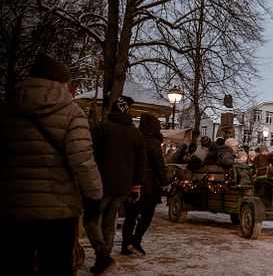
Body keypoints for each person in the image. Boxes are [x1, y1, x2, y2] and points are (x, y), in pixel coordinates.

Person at [0, 52, 103, 276]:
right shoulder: (71, 113)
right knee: (55, 267)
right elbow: (82, 161)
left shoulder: (8, 109)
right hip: (58, 208)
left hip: (11, 208)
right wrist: (95, 196)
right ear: (61, 82)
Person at [85, 95, 148, 274]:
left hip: (100, 184)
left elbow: (89, 154)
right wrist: (136, 185)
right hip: (123, 186)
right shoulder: (135, 133)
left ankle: (102, 254)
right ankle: (104, 256)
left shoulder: (101, 129)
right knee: (109, 220)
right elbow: (140, 162)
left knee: (91, 219)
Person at [121, 113, 167, 256]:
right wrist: (165, 181)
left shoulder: (134, 139)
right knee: (147, 215)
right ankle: (136, 240)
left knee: (130, 216)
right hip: (148, 185)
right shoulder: (154, 143)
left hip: (131, 182)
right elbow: (159, 166)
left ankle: (125, 245)